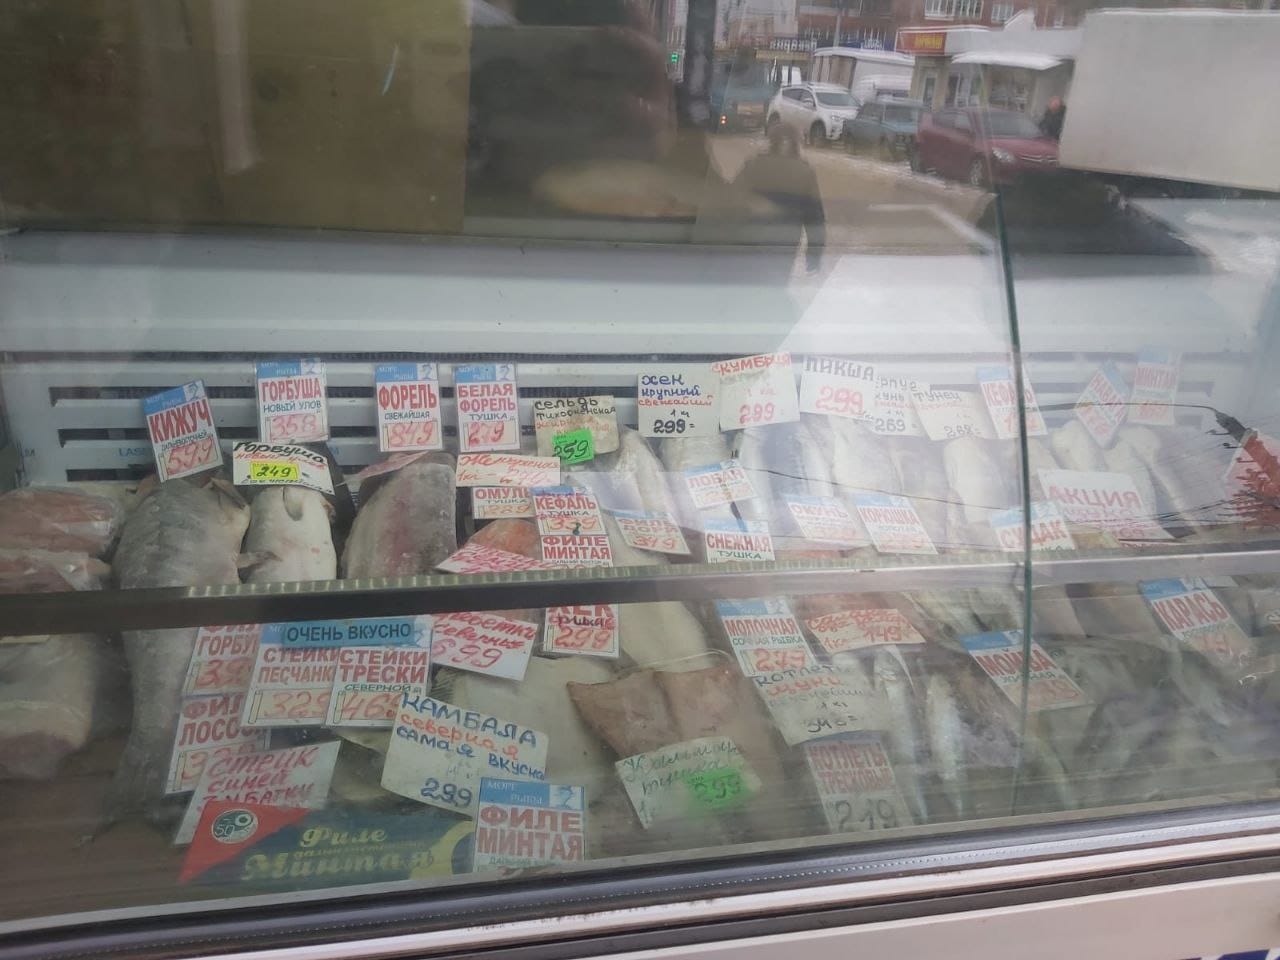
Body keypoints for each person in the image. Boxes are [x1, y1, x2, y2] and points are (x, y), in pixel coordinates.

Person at [732, 125, 826, 273]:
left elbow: (730, 200)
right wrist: (814, 255)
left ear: (771, 142)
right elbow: (815, 218)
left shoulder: (754, 165)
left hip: (750, 240)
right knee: (776, 280)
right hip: (784, 243)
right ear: (797, 144)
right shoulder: (804, 172)